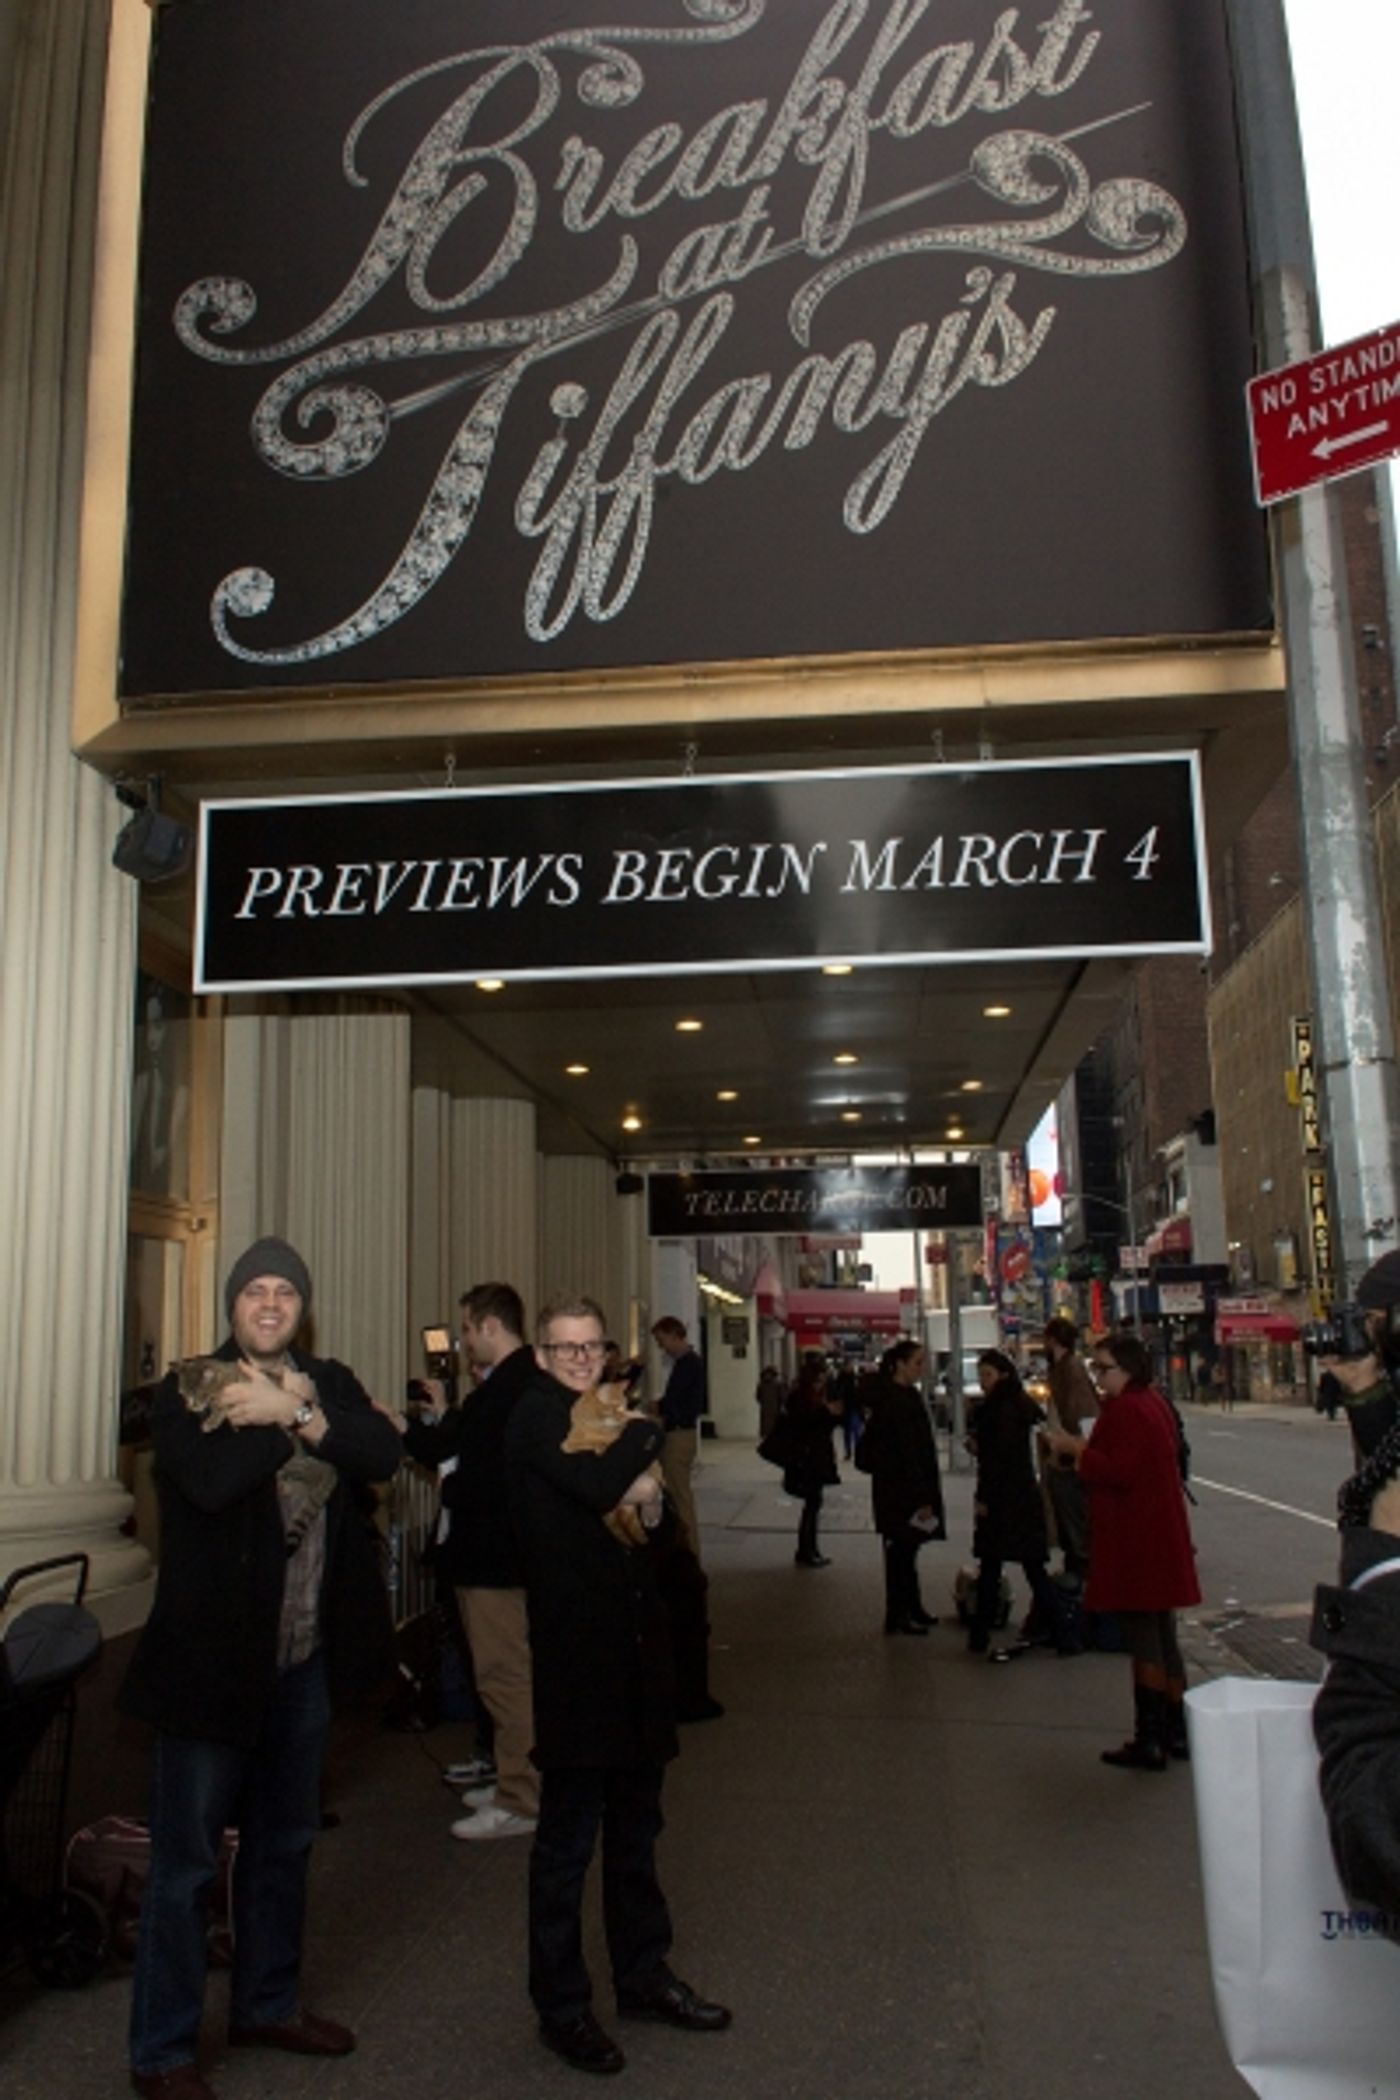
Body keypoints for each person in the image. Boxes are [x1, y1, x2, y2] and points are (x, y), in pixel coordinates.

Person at [120, 1237, 401, 2100]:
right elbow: (206, 1480)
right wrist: (299, 1424)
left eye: (285, 1292)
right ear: (233, 1306)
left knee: (283, 1847)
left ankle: (267, 2004)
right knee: (186, 1868)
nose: (270, 1304)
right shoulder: (188, 1386)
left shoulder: (331, 1380)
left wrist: (292, 1411)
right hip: (210, 1666)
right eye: (255, 1292)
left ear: (300, 1307)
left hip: (301, 1663)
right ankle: (162, 2052)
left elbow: (383, 1456)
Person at [505, 1295, 731, 2076]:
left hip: (639, 1660)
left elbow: (657, 1530)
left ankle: (642, 1977)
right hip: (577, 1667)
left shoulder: (604, 1414)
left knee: (638, 1836)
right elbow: (598, 1484)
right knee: (567, 1846)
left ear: (605, 1353)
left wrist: (651, 1497)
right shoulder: (534, 1419)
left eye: (590, 1347)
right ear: (540, 1355)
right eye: (563, 1347)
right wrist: (640, 1445)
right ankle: (562, 2008)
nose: (577, 1358)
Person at [398, 1282, 539, 1842]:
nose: (460, 1343)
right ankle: (513, 1778)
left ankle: (522, 1799)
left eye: (465, 1330)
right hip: (494, 1555)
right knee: (504, 1676)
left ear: (489, 1326)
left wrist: (452, 1487)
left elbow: (490, 1476)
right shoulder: (506, 1386)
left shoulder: (511, 1390)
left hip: (494, 1558)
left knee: (506, 1678)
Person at [1045, 1330, 1200, 1768]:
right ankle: (1176, 1729)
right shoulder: (1151, 1403)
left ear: (1127, 1368)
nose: (1099, 1377)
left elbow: (1119, 1469)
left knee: (1145, 1638)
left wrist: (1076, 1450)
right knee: (1162, 1634)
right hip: (1157, 1534)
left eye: (1104, 1368)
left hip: (1137, 1538)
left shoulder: (1129, 1409)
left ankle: (1151, 1736)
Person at [966, 1350, 1075, 1661]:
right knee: (1031, 1568)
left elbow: (997, 1460)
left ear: (1002, 1375)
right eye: (981, 1375)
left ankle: (980, 1634)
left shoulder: (997, 1410)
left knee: (991, 1567)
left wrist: (984, 1496)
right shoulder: (1017, 1405)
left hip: (1002, 1498)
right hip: (1022, 1498)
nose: (983, 1382)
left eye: (987, 1375)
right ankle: (1064, 1636)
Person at [859, 1340, 945, 1635]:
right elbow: (908, 1452)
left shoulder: (902, 1396)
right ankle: (899, 1614)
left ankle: (911, 1607)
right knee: (900, 1553)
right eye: (918, 1362)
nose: (922, 1368)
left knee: (907, 1551)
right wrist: (922, 1496)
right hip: (900, 1491)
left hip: (900, 1488)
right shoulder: (895, 1401)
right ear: (900, 1364)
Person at [1040, 1316, 1098, 1580]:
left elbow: (1083, 1416)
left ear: (1052, 1340)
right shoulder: (1064, 1368)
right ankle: (1078, 1571)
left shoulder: (1069, 1369)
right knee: (1071, 1524)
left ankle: (1081, 1577)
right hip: (1065, 1454)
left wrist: (1074, 1449)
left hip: (1068, 1457)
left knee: (1075, 1524)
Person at [650, 1315, 706, 1561]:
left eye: (662, 1340)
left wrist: (663, 1412)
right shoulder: (688, 1363)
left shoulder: (688, 1365)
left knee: (679, 1496)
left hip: (679, 1434)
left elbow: (683, 1405)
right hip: (681, 1432)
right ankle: (686, 1550)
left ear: (674, 1335)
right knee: (678, 1494)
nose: (661, 1346)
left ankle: (688, 1551)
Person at [780, 1354, 841, 1568]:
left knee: (813, 1504)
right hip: (808, 1459)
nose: (822, 1382)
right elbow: (809, 1425)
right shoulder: (804, 1399)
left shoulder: (806, 1396)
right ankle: (807, 1549)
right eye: (820, 1377)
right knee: (813, 1503)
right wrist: (827, 1412)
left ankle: (809, 1548)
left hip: (810, 1457)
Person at [755, 1364, 786, 1440]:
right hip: (775, 1407)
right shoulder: (778, 1384)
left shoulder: (761, 1384)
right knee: (774, 1422)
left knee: (765, 1422)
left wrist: (763, 1402)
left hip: (765, 1407)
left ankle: (766, 1435)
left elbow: (758, 1397)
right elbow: (782, 1396)